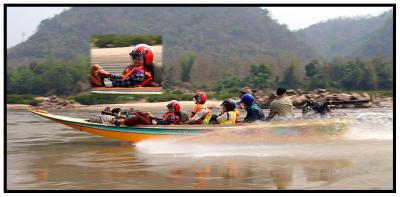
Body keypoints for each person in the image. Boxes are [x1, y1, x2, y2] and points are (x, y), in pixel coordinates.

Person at [90, 44, 160, 87]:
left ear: (146, 60)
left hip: (110, 84)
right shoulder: (131, 68)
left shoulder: (140, 74)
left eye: (138, 59)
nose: (135, 61)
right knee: (95, 67)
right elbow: (123, 77)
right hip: (111, 82)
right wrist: (108, 75)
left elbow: (126, 83)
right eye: (134, 58)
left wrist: (106, 81)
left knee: (90, 78)